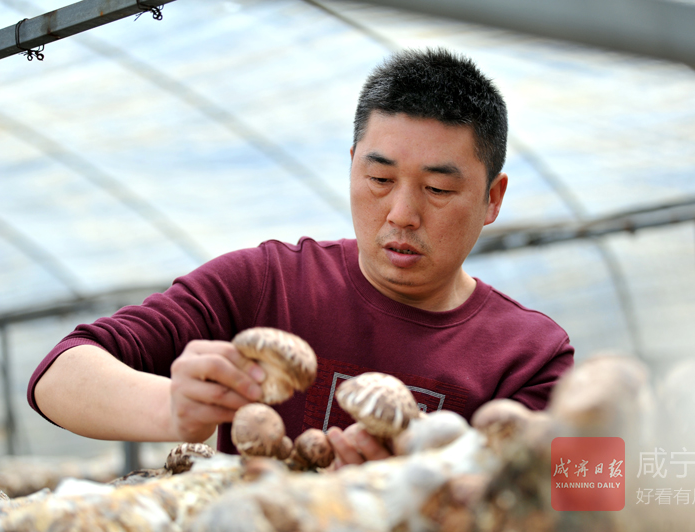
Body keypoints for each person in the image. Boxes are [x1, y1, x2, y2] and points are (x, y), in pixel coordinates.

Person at [28, 48, 574, 468]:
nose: (401, 213)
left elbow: (595, 497)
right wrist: (172, 407)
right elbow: (58, 374)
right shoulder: (267, 284)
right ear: (352, 165)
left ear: (492, 200)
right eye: (379, 179)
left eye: (437, 189)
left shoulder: (531, 353)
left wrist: (433, 480)